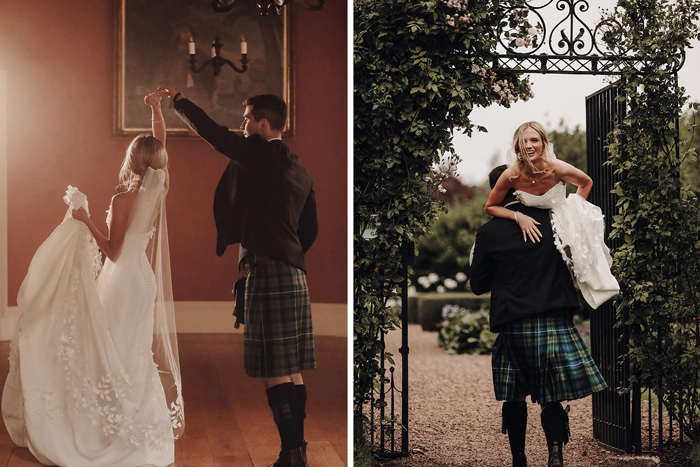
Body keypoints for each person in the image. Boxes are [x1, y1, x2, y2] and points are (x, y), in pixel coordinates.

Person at [1, 92, 184, 466]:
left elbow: (112, 252)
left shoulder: (123, 200)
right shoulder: (159, 188)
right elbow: (160, 145)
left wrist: (83, 216)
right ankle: (136, 423)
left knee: (108, 351)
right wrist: (155, 111)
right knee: (133, 353)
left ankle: (106, 431)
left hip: (121, 282)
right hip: (143, 282)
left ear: (133, 161)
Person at [157, 85, 318, 467]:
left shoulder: (260, 153)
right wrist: (287, 253)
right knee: (291, 368)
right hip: (294, 271)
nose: (242, 125)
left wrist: (180, 103)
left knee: (273, 369)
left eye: (246, 119)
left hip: (268, 268)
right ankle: (298, 451)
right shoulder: (299, 167)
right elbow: (309, 229)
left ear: (262, 124)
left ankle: (292, 455)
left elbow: (215, 135)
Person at [471, 164, 607, 467]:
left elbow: (478, 285)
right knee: (550, 394)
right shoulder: (556, 220)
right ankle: (555, 457)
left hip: (514, 321)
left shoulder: (488, 232)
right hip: (553, 317)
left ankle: (519, 459)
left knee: (515, 395)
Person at [484, 121, 619, 309]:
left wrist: (574, 210)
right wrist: (517, 216)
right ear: (517, 146)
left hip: (561, 217)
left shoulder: (558, 168)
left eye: (534, 140)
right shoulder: (511, 175)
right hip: (533, 221)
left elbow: (586, 182)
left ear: (544, 144)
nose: (529, 145)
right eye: (524, 141)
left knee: (583, 262)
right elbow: (490, 206)